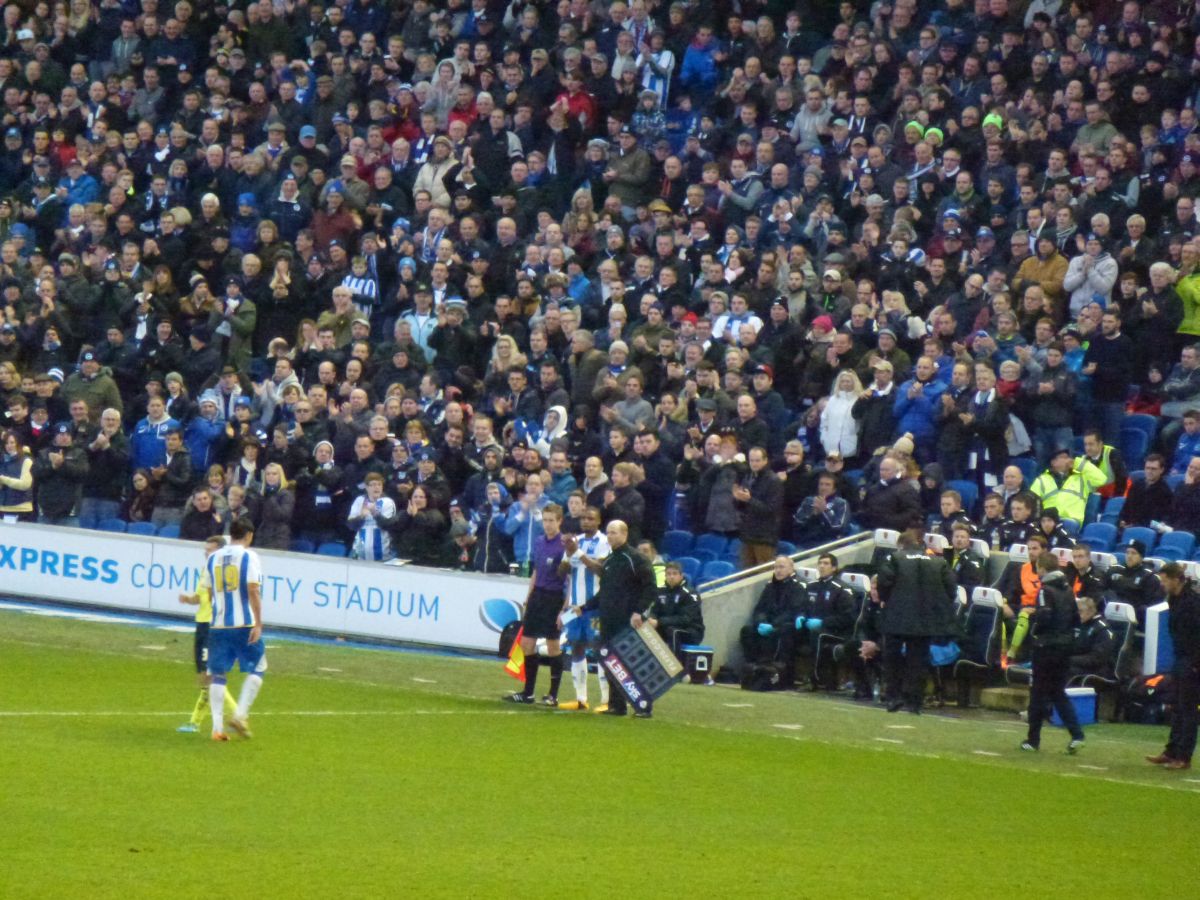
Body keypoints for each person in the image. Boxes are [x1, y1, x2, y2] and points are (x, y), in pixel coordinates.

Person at [876, 528, 957, 714]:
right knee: (918, 661)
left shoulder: (895, 559)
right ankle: (915, 701)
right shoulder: (939, 562)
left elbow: (884, 582)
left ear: (901, 545)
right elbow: (951, 589)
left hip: (897, 616)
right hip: (925, 618)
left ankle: (893, 697)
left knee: (893, 659)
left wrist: (887, 600)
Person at [585, 519, 658, 717]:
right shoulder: (609, 560)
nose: (609, 536)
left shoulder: (636, 558)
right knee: (611, 662)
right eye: (608, 532)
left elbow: (651, 588)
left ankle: (644, 706)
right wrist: (584, 607)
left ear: (624, 534)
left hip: (627, 620)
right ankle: (617, 705)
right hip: (608, 619)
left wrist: (638, 611)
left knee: (631, 663)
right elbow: (604, 593)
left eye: (614, 532)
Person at [206, 520, 267, 742]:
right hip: (244, 624)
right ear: (249, 535)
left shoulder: (213, 557)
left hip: (218, 623)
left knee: (218, 674)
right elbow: (253, 589)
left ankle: (216, 729)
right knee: (259, 667)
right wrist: (258, 623)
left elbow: (210, 591)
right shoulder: (250, 556)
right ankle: (240, 715)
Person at [1020, 553, 1086, 755]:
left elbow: (1045, 617)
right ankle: (1077, 734)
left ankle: (1033, 740)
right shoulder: (1068, 590)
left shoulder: (1045, 590)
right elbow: (1076, 619)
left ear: (1042, 569)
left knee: (1038, 693)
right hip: (1064, 648)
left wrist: (1034, 624)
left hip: (1046, 648)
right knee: (1058, 692)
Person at [505, 503, 568, 706]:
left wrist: (563, 608)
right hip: (538, 596)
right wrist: (529, 595)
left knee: (552, 646)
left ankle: (553, 694)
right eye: (545, 520)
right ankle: (528, 692)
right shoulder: (539, 542)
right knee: (527, 644)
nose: (548, 524)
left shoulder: (564, 546)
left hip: (554, 597)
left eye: (552, 520)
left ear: (560, 521)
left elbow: (569, 579)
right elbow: (536, 572)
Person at [176, 535, 237, 734]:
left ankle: (236, 715)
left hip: (213, 627)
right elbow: (199, 598)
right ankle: (195, 722)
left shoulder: (225, 574)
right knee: (206, 677)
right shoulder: (206, 571)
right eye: (205, 550)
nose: (205, 553)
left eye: (209, 550)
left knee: (209, 677)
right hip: (201, 625)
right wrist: (188, 599)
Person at [1146, 563, 1200, 770]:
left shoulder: (1192, 603)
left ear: (1176, 579)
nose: (1162, 584)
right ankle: (1171, 751)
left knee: (1188, 711)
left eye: (1165, 580)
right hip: (1181, 659)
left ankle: (1184, 756)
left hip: (1191, 661)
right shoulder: (1175, 600)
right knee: (1176, 707)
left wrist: (1196, 664)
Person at [559, 505, 611, 711]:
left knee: (599, 649)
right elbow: (561, 572)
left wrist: (578, 553)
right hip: (574, 606)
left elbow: (601, 570)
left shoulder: (604, 542)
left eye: (591, 518)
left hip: (594, 606)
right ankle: (581, 699)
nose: (586, 522)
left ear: (599, 521)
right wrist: (566, 553)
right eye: (583, 518)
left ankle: (606, 701)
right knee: (576, 647)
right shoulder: (576, 541)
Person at [739, 555, 805, 688]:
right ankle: (753, 667)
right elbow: (759, 609)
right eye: (776, 567)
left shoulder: (798, 587)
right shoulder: (769, 587)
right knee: (747, 631)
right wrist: (760, 621)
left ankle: (774, 671)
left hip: (784, 625)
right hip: (767, 624)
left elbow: (793, 611)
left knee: (782, 632)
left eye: (782, 567)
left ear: (791, 569)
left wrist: (773, 625)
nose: (778, 570)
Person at [797, 553, 856, 690]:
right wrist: (800, 616)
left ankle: (814, 679)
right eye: (820, 563)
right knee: (787, 630)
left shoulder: (842, 589)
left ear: (834, 567)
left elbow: (848, 617)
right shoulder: (811, 586)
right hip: (812, 626)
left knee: (817, 634)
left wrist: (823, 622)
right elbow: (802, 607)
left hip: (836, 631)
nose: (822, 566)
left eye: (826, 563)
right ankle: (779, 673)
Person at [645, 560, 704, 659]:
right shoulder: (660, 592)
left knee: (672, 631)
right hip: (667, 626)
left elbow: (686, 619)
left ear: (681, 576)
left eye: (675, 574)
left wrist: (659, 622)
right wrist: (652, 619)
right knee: (646, 628)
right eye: (668, 574)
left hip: (692, 630)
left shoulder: (690, 593)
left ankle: (675, 668)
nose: (671, 577)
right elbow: (655, 611)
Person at [348, 472, 398, 561]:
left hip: (383, 553)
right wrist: (361, 516)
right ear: (366, 487)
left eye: (379, 484)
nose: (377, 487)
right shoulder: (359, 501)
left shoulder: (388, 502)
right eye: (373, 485)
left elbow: (388, 525)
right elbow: (351, 526)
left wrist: (375, 513)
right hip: (360, 553)